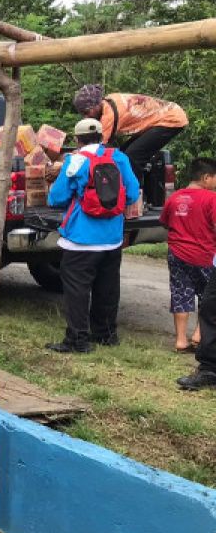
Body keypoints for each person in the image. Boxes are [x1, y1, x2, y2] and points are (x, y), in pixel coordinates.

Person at [45, 118, 141, 353]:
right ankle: (106, 334)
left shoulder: (75, 161)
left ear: (77, 139)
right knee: (108, 287)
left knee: (77, 290)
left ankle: (77, 340)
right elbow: (131, 192)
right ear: (102, 136)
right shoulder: (119, 157)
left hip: (81, 239)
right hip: (112, 237)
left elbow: (56, 198)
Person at [72, 84, 188, 181]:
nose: (85, 116)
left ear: (96, 105)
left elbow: (97, 149)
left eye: (87, 112)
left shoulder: (109, 116)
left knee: (132, 157)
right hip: (155, 119)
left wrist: (76, 156)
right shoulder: (109, 100)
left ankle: (136, 196)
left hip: (171, 119)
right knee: (123, 154)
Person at [159, 158, 216, 353]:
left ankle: (181, 341)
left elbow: (165, 222)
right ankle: (199, 336)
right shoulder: (212, 199)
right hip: (205, 256)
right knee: (207, 297)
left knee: (180, 294)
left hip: (177, 254)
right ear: (206, 177)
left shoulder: (175, 197)